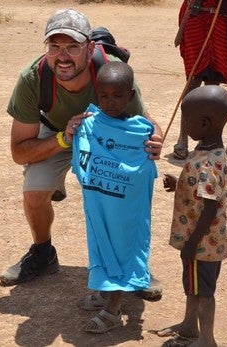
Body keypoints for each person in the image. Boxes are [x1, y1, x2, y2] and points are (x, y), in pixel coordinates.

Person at [0, 9, 165, 302]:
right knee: (34, 193)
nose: (62, 56)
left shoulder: (110, 72)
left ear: (89, 49)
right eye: (54, 47)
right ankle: (42, 252)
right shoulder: (32, 79)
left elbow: (144, 120)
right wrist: (65, 137)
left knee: (124, 195)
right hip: (57, 135)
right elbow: (19, 152)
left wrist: (154, 137)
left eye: (72, 47)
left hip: (105, 138)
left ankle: (134, 267)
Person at [70, 61, 158, 333]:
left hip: (126, 208)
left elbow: (146, 169)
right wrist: (70, 131)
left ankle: (113, 309)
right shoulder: (88, 124)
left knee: (122, 247)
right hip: (99, 205)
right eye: (104, 96)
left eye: (118, 96)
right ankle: (106, 293)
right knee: (101, 244)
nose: (110, 102)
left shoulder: (139, 132)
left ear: (130, 96)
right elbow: (80, 159)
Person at [157, 85, 227, 347]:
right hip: (201, 241)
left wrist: (192, 244)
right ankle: (190, 326)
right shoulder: (208, 150)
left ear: (204, 122)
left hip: (201, 243)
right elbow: (203, 190)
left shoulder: (208, 163)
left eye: (186, 119)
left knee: (204, 292)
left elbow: (210, 207)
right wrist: (179, 182)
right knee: (194, 285)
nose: (184, 124)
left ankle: (207, 340)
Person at [172, 0, 227, 160]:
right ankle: (182, 141)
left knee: (213, 90)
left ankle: (211, 142)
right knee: (193, 84)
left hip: (217, 25)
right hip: (196, 23)